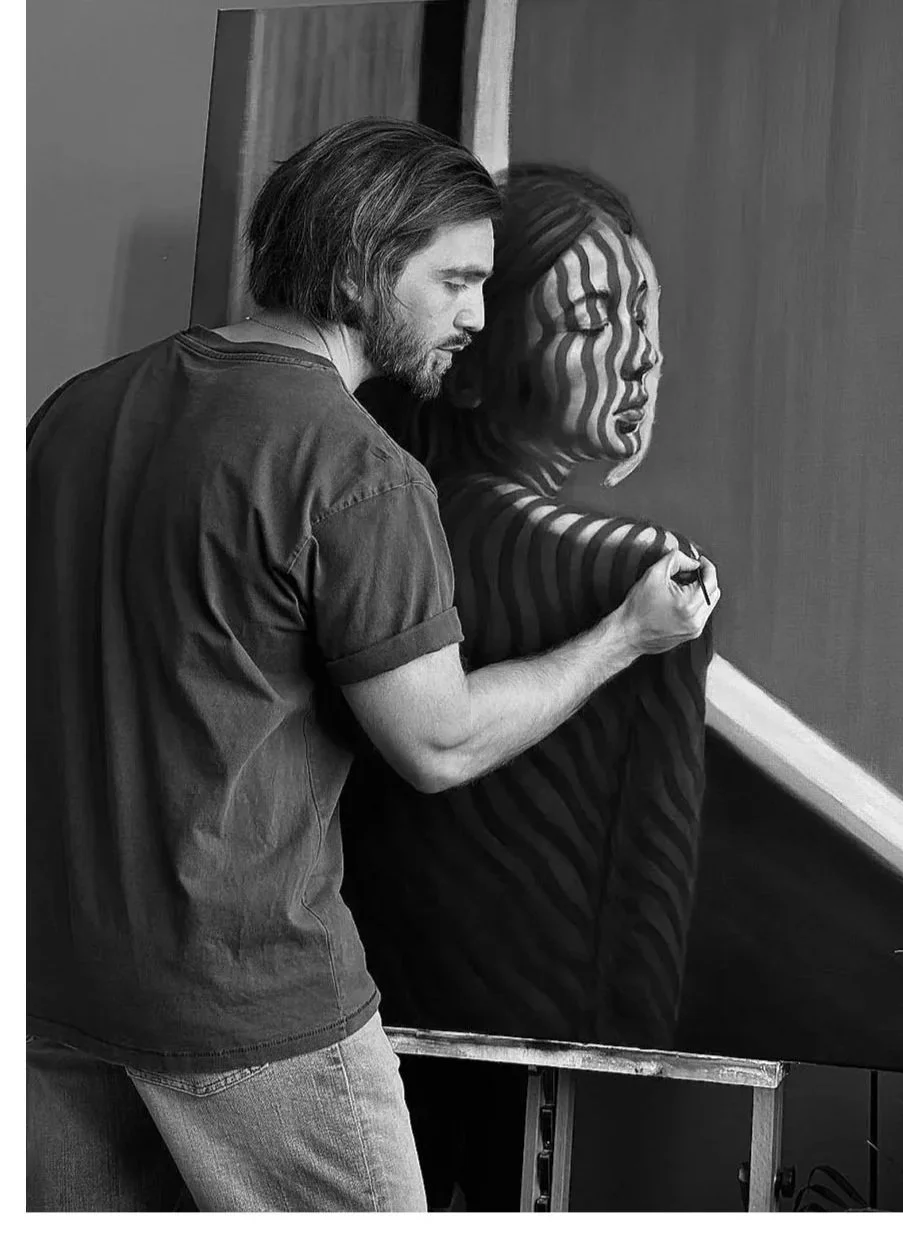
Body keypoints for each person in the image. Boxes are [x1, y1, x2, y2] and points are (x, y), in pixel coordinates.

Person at [27, 120, 718, 1212]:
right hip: (247, 1002)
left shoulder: (72, 412)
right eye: (454, 280)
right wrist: (624, 636)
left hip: (53, 990)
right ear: (361, 263)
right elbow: (437, 742)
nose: (478, 316)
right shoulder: (354, 468)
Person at [342, 165, 715, 1210]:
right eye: (597, 317)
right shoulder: (636, 573)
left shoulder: (381, 514)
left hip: (361, 1025)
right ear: (468, 362)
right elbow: (645, 907)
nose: (640, 352)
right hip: (540, 1076)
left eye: (643, 311)